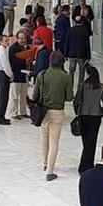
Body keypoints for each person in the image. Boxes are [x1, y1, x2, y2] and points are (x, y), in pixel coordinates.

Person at [33, 51, 73, 181]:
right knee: (54, 142)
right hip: (57, 111)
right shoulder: (66, 77)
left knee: (44, 137)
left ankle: (45, 163)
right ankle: (50, 171)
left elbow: (35, 96)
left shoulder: (42, 75)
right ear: (62, 62)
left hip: (44, 111)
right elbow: (69, 97)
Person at [74, 65, 103, 174]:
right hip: (96, 116)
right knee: (91, 142)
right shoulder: (102, 86)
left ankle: (84, 166)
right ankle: (88, 164)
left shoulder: (83, 86)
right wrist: (101, 112)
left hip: (84, 115)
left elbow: (76, 100)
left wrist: (77, 111)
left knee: (86, 141)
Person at [8, 32, 30, 120]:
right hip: (16, 75)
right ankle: (13, 113)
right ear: (17, 39)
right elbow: (13, 63)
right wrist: (25, 61)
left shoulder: (26, 47)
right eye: (21, 38)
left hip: (24, 74)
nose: (23, 40)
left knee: (24, 95)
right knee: (15, 95)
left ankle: (23, 112)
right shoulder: (13, 49)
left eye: (24, 38)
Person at [67, 14, 92, 86]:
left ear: (75, 22)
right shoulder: (85, 31)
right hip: (82, 54)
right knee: (82, 72)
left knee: (71, 71)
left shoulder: (70, 30)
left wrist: (66, 53)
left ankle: (70, 86)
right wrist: (88, 56)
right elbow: (87, 44)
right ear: (82, 22)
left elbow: (67, 42)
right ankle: (80, 87)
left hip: (72, 54)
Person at [0, 35, 13, 125]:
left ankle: (0, 115)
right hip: (3, 74)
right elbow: (6, 66)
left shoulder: (2, 50)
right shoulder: (2, 52)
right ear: (0, 42)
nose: (7, 42)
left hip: (0, 74)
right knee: (3, 96)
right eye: (5, 40)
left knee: (1, 96)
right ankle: (0, 117)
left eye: (8, 40)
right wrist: (11, 75)